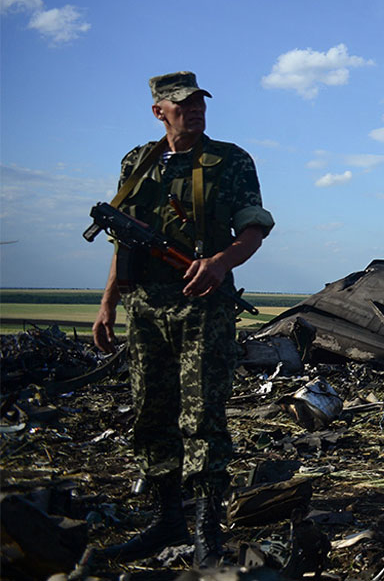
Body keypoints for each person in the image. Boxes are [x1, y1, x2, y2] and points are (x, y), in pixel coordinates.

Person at [91, 71, 274, 566]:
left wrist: (221, 263)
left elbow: (254, 227)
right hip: (146, 306)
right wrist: (109, 302)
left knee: (202, 418)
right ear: (159, 111)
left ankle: (205, 532)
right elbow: (122, 236)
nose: (194, 109)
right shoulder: (138, 161)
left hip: (204, 304)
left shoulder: (230, 160)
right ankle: (167, 518)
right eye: (181, 103)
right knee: (151, 412)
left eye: (198, 102)